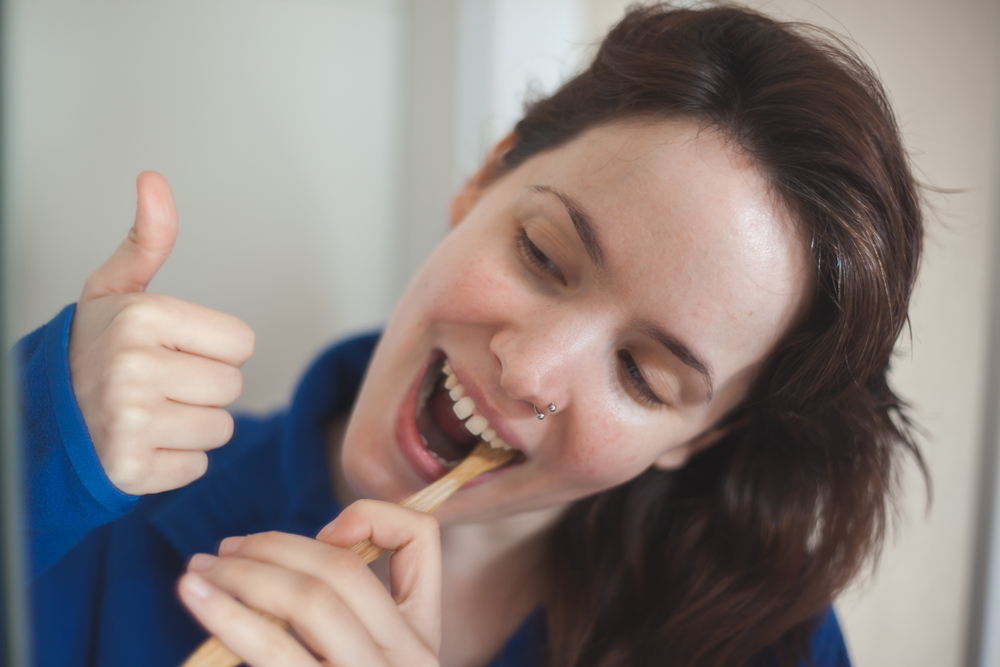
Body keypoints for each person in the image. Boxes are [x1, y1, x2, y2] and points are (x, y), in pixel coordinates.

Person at [16, 4, 923, 666]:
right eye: (541, 253)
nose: (528, 369)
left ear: (704, 434)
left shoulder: (768, 645)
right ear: (486, 178)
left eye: (643, 375)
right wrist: (30, 444)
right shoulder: (101, 510)